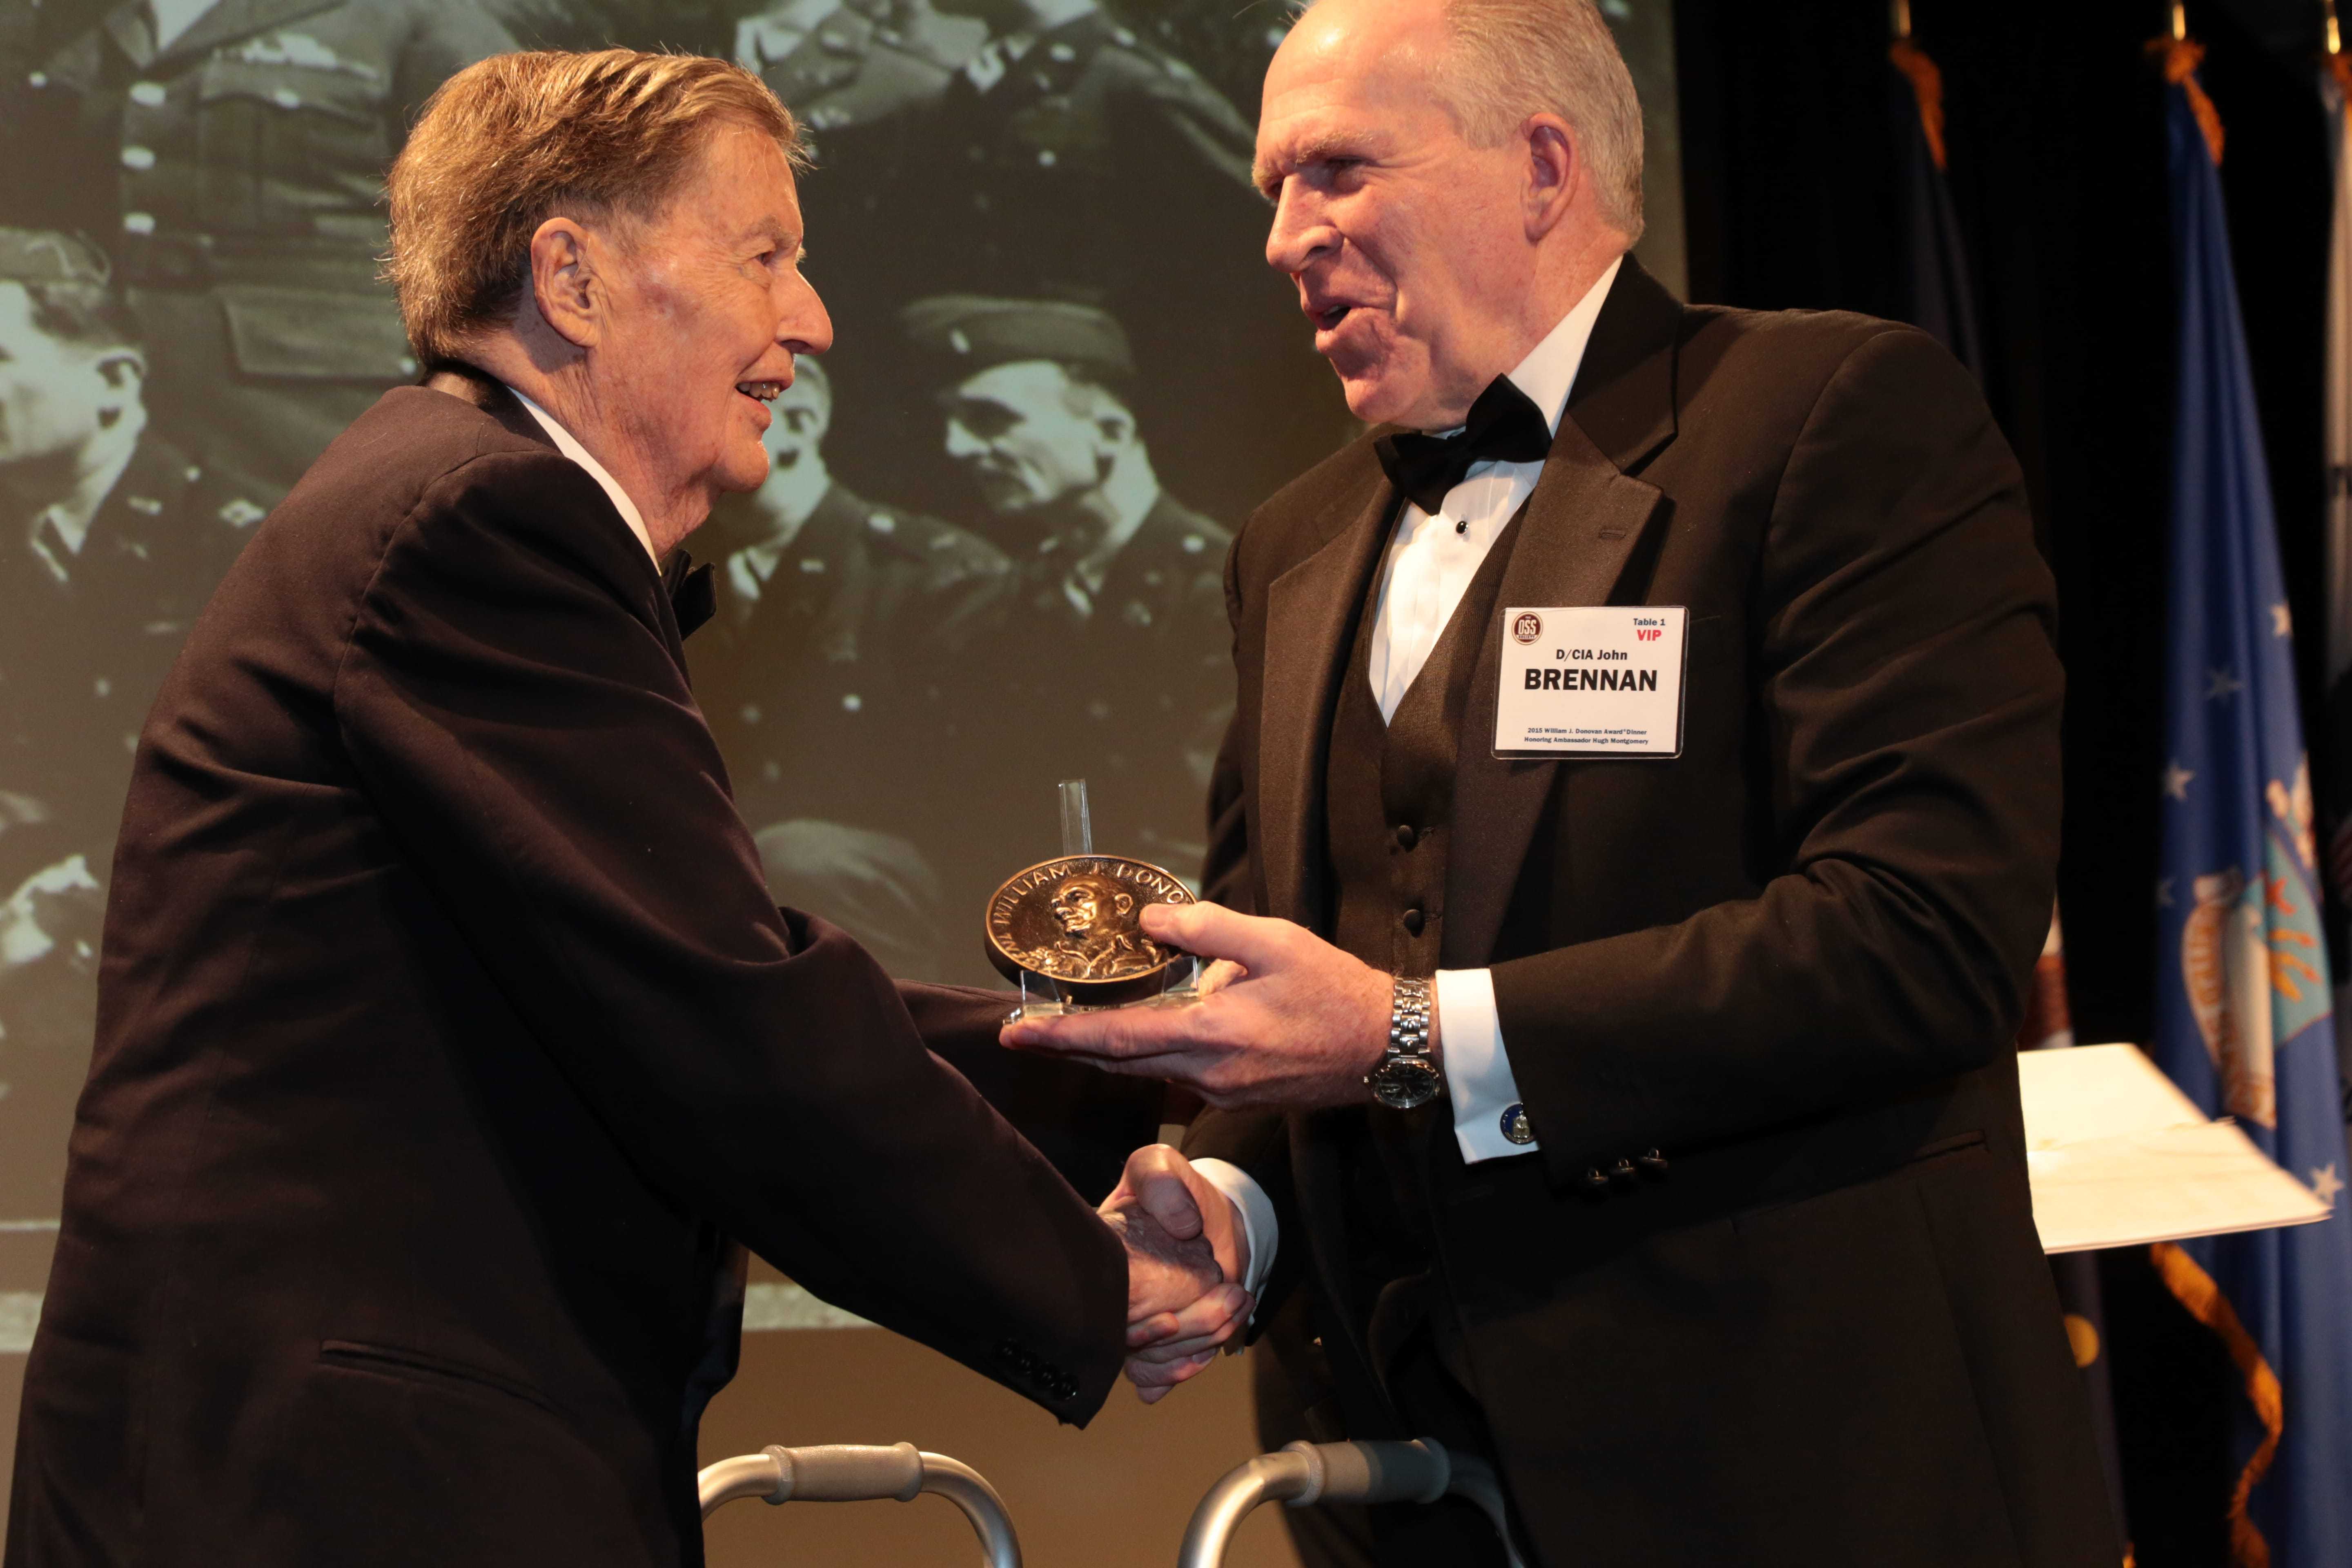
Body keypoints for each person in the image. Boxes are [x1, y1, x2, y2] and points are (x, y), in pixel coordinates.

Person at [4, 51, 1241, 1568]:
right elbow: (723, 1010)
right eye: (766, 256)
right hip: (340, 1494)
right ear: (572, 278)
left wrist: (1139, 1073)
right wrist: (1092, 1283)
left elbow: (701, 960)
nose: (812, 321)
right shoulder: (481, 518)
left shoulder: (440, 499)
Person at [1004, 1, 2123, 1565]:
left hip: (1796, 1478)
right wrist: (1232, 1211)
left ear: (1540, 166)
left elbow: (1920, 940)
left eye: (1330, 171)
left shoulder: (1824, 418)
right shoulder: (1290, 544)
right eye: (1270, 188)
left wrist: (1409, 1035)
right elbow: (1285, 974)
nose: (1281, 238)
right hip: (1407, 1494)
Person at [0, 0, 517, 511]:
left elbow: (519, 227)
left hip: (311, 415)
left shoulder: (413, 18)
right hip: (106, 425)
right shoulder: (68, 23)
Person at [695, 355, 1012, 979]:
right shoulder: (676, 568)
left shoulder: (933, 573)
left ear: (802, 421)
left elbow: (973, 795)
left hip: (894, 890)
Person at [906, 293, 1232, 873]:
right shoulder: (1014, 597)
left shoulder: (1223, 584)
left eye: (991, 418)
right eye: (951, 421)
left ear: (1108, 430)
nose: (957, 447)